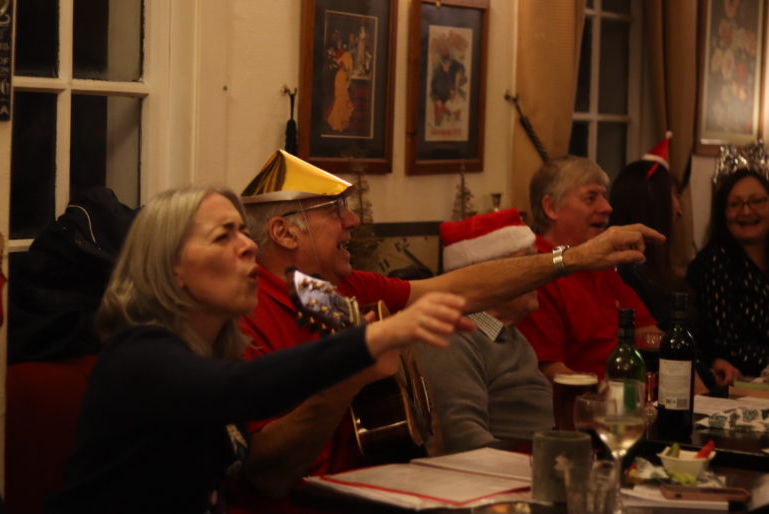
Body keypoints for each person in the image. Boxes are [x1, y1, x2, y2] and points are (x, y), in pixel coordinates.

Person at [234, 150, 663, 511]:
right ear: (283, 231)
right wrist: (350, 372)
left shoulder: (337, 289)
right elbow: (268, 471)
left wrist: (569, 260)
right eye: (334, 210)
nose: (353, 221)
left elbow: (458, 288)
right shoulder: (247, 313)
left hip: (380, 489)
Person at [43, 185, 474, 514]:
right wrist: (367, 341)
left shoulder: (220, 344)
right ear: (170, 269)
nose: (248, 245)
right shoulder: (138, 353)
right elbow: (234, 390)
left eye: (244, 233)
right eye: (222, 236)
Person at [417, 208, 554, 454]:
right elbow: (463, 441)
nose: (536, 274)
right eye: (525, 262)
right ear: (486, 278)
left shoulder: (507, 332)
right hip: (511, 476)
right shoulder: (452, 337)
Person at [516, 155, 659, 381]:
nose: (607, 207)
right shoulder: (537, 270)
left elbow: (645, 332)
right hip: (587, 407)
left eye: (604, 196)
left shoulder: (599, 261)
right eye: (591, 198)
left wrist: (681, 353)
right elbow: (550, 372)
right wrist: (621, 398)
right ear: (551, 207)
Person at [686, 167, 769, 383]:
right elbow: (725, 345)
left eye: (757, 201)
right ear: (722, 213)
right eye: (735, 204)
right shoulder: (714, 262)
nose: (747, 211)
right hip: (739, 386)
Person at [609, 134, 685, 330]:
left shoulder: (656, 270)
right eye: (675, 196)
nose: (679, 210)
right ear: (652, 200)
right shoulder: (625, 272)